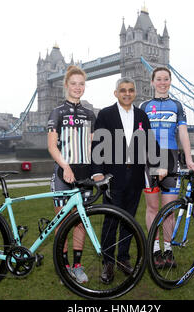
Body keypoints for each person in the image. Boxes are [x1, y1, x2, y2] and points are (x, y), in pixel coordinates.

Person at [91, 77, 166, 284]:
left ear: (135, 93)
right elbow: (98, 143)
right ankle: (107, 262)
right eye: (122, 90)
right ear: (116, 93)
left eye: (131, 90)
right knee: (111, 221)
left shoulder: (141, 115)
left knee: (128, 220)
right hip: (112, 176)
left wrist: (159, 164)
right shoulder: (105, 114)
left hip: (135, 176)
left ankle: (123, 259)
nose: (127, 93)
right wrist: (97, 172)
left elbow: (150, 142)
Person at [139, 66, 194, 269]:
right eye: (159, 79)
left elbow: (183, 133)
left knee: (169, 210)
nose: (162, 82)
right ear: (152, 82)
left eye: (166, 79)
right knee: (153, 208)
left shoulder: (177, 105)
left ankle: (169, 249)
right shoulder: (144, 105)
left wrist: (189, 159)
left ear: (169, 82)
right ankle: (155, 250)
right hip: (150, 160)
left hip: (172, 160)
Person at [47, 65, 96, 283]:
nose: (78, 88)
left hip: (85, 176)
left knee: (81, 222)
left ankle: (77, 266)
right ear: (66, 85)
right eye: (74, 83)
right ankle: (63, 266)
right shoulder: (56, 112)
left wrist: (97, 171)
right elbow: (52, 146)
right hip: (63, 174)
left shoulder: (90, 114)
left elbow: (95, 147)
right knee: (62, 222)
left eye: (81, 84)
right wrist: (66, 167)